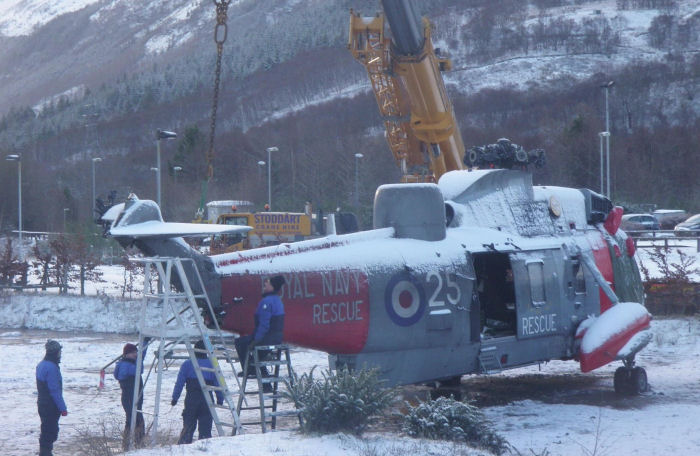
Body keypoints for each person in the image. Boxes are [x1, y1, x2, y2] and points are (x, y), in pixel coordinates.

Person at [234, 275, 286, 391]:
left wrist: (255, 340)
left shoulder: (266, 302)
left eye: (267, 284)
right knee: (258, 358)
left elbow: (264, 325)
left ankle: (248, 369)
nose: (264, 285)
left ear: (272, 287)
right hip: (276, 337)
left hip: (267, 337)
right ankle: (266, 386)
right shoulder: (278, 301)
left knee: (240, 343)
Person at [171, 340, 224, 444]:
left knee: (188, 427)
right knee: (205, 430)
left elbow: (179, 383)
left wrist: (175, 398)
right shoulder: (212, 363)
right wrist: (220, 399)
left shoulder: (187, 364)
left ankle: (183, 448)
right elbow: (218, 383)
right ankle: (204, 450)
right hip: (207, 399)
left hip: (192, 398)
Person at [113, 341, 148, 449]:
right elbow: (139, 370)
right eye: (133, 353)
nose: (135, 354)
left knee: (134, 420)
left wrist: (145, 343)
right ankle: (135, 444)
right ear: (127, 354)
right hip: (130, 398)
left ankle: (131, 444)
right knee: (135, 420)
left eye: (136, 352)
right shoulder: (126, 365)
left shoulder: (127, 363)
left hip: (133, 397)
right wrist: (139, 358)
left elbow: (140, 358)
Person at [36, 339, 67, 456]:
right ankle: (45, 453)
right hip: (51, 405)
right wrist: (62, 408)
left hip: (42, 403)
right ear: (55, 353)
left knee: (46, 429)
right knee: (51, 431)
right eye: (59, 352)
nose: (60, 354)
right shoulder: (52, 368)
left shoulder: (41, 365)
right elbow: (55, 391)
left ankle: (44, 452)